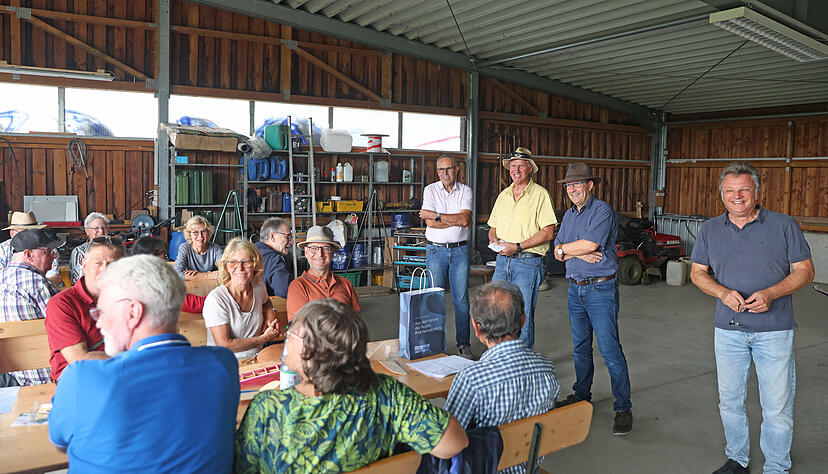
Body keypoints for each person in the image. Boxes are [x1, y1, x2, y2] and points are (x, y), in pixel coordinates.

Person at [48, 255, 240, 472]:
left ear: (133, 312)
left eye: (102, 312)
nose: (99, 322)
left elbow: (60, 442)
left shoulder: (83, 377)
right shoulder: (222, 364)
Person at [234, 299, 468, 473]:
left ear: (310, 351)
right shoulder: (387, 393)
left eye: (291, 333)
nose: (286, 339)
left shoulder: (269, 409)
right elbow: (454, 442)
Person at [690, 162, 814, 474]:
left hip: (774, 330)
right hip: (728, 330)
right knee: (730, 402)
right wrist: (721, 293)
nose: (737, 196)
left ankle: (776, 467)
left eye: (744, 189)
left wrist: (772, 293)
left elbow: (805, 271)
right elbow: (697, 273)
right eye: (730, 191)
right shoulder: (710, 230)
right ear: (721, 195)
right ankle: (737, 459)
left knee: (777, 407)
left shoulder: (784, 225)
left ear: (757, 192)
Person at [445, 280, 559, 474]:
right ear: (523, 320)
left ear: (477, 327)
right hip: (529, 467)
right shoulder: (546, 368)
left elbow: (447, 442)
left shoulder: (472, 379)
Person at [552, 163, 633, 436]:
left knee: (610, 350)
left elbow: (590, 246)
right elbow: (556, 250)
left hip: (600, 290)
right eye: (568, 185)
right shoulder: (569, 215)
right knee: (580, 347)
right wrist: (571, 250)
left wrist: (569, 250)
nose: (572, 189)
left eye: (577, 184)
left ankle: (623, 408)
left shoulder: (602, 211)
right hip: (575, 288)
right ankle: (581, 394)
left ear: (590, 185)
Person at [487, 147, 557, 349]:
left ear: (530, 169)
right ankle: (501, 357)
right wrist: (495, 241)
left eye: (520, 166)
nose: (515, 170)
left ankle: (522, 363)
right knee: (497, 310)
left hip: (527, 262)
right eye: (512, 166)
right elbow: (493, 228)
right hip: (502, 261)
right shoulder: (504, 195)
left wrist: (516, 246)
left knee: (522, 314)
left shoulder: (540, 195)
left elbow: (548, 232)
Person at [45, 236, 125, 381]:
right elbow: (79, 360)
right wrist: (133, 360)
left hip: (121, 377)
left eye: (112, 265)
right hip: (78, 381)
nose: (105, 270)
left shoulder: (127, 298)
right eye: (98, 263)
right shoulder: (62, 304)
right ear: (84, 264)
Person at [419, 153, 474, 358]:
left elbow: (465, 219)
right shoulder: (430, 190)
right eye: (441, 169)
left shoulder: (465, 191)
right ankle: (435, 345)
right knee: (434, 299)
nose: (445, 173)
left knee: (461, 300)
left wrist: (438, 215)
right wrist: (455, 219)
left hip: (460, 250)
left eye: (449, 169)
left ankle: (463, 345)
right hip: (435, 250)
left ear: (457, 169)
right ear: (437, 171)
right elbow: (430, 223)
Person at [0, 229, 63, 386]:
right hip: (48, 376)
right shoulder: (39, 285)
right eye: (48, 252)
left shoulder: (2, 278)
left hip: (13, 376)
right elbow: (67, 327)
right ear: (28, 255)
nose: (54, 256)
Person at [202, 237, 282, 359]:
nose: (240, 268)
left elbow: (267, 303)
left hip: (257, 358)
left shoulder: (259, 287)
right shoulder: (216, 300)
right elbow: (225, 344)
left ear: (255, 265)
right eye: (233, 262)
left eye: (246, 262)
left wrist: (270, 318)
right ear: (226, 267)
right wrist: (264, 338)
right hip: (225, 363)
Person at [286, 226, 360, 320]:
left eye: (325, 248)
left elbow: (356, 323)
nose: (320, 254)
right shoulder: (298, 287)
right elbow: (298, 330)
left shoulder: (346, 284)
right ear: (306, 252)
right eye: (313, 248)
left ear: (333, 253)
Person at [130, 235, 207, 313]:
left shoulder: (132, 278)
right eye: (162, 259)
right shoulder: (154, 286)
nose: (165, 263)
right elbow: (197, 305)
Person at [1, 211, 61, 285]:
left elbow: (54, 276)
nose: (28, 235)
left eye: (32, 231)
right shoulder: (2, 250)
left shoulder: (48, 248)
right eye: (23, 232)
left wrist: (36, 285)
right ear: (12, 233)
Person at [174, 215, 223, 280]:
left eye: (203, 232)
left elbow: (227, 272)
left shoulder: (216, 249)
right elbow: (176, 274)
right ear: (189, 235)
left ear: (208, 233)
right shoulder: (185, 248)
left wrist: (197, 275)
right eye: (195, 232)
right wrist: (210, 275)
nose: (200, 236)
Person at [255, 217, 294, 298]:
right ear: (272, 236)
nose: (291, 242)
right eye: (288, 237)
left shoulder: (252, 252)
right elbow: (286, 296)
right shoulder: (274, 261)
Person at [70, 212, 109, 284]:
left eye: (104, 228)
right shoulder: (79, 252)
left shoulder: (115, 250)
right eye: (96, 228)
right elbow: (78, 280)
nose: (101, 231)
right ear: (87, 231)